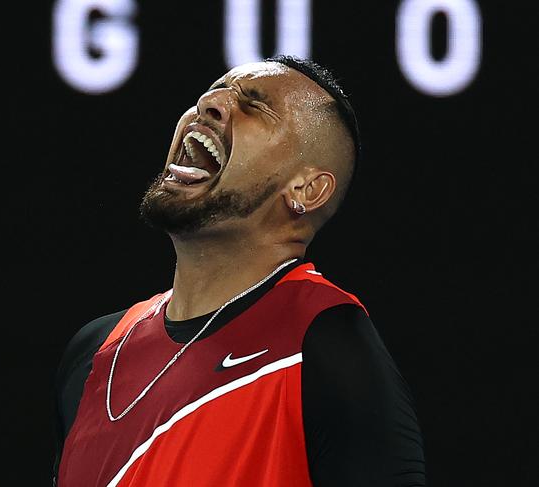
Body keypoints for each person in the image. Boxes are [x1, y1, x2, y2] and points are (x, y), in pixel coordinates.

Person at [53, 55, 426, 486]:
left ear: (306, 189)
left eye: (255, 105)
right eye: (213, 91)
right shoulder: (95, 352)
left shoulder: (325, 341)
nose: (208, 103)